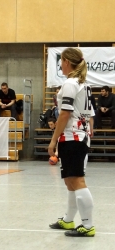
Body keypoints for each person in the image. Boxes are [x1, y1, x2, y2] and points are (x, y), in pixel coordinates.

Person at [48, 47, 95, 237]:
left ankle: (88, 224)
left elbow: (65, 114)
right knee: (69, 180)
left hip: (73, 136)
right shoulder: (83, 83)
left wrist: (53, 141)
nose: (60, 64)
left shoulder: (70, 83)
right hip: (79, 135)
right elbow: (90, 115)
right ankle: (69, 220)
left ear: (67, 61)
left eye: (61, 61)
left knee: (77, 180)